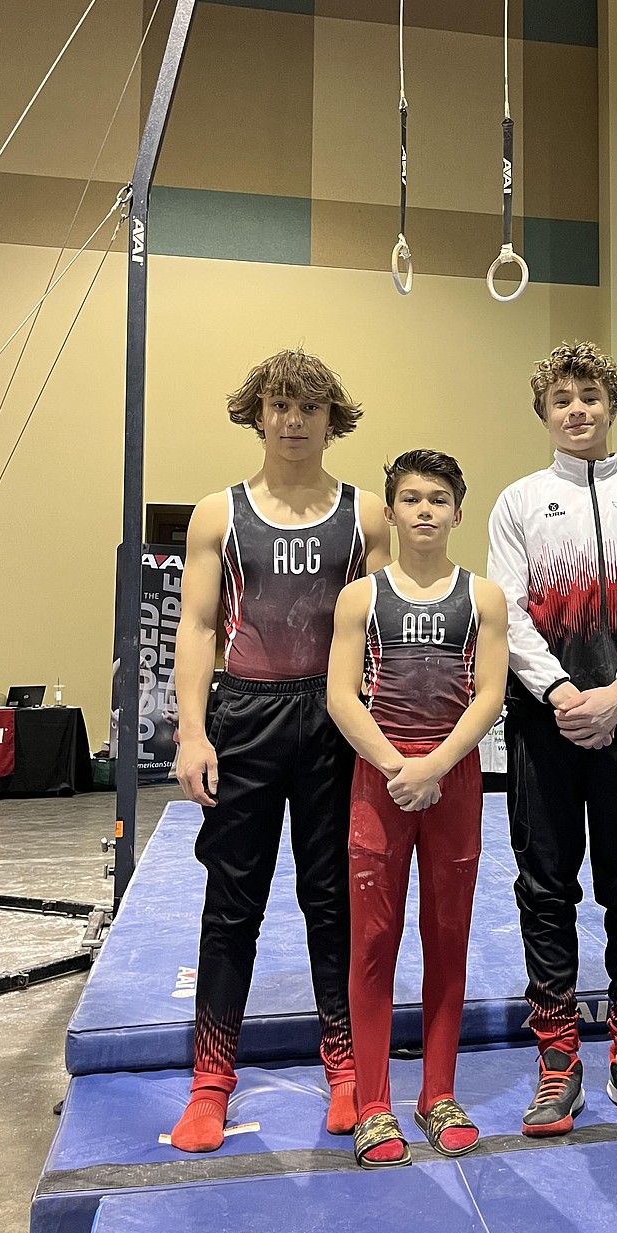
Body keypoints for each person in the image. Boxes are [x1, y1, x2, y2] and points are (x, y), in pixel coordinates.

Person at [169, 350, 391, 1153]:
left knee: (334, 900)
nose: (294, 421)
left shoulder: (366, 514)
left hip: (332, 718)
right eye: (279, 405)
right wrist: (193, 732)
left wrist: (388, 732)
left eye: (310, 407)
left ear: (334, 418)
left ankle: (345, 1063)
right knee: (233, 904)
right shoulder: (216, 516)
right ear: (256, 413)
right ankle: (210, 1078)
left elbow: (379, 630)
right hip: (250, 713)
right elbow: (197, 628)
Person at [487, 341, 617, 1136]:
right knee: (546, 892)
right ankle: (558, 1060)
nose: (577, 410)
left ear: (613, 405)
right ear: (544, 414)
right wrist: (568, 693)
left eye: (591, 396)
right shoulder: (519, 502)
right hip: (546, 724)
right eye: (562, 399)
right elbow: (508, 611)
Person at [328, 451, 508, 1168]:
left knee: (446, 937)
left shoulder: (484, 598)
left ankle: (438, 1092)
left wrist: (434, 766)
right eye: (411, 499)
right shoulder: (361, 598)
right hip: (382, 780)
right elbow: (342, 695)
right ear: (392, 511)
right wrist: (396, 766)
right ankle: (374, 1103)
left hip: (452, 780)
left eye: (439, 499)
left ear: (458, 512)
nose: (426, 511)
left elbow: (490, 694)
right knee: (373, 945)